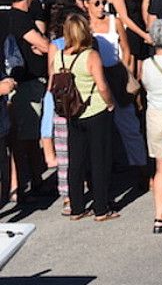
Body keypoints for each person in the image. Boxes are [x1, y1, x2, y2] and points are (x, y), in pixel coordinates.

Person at [52, 12, 117, 220]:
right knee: (99, 160)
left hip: (72, 112)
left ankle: (77, 207)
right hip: (95, 110)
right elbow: (102, 85)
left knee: (76, 161)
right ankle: (101, 208)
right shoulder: (90, 56)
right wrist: (110, 103)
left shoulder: (59, 56)